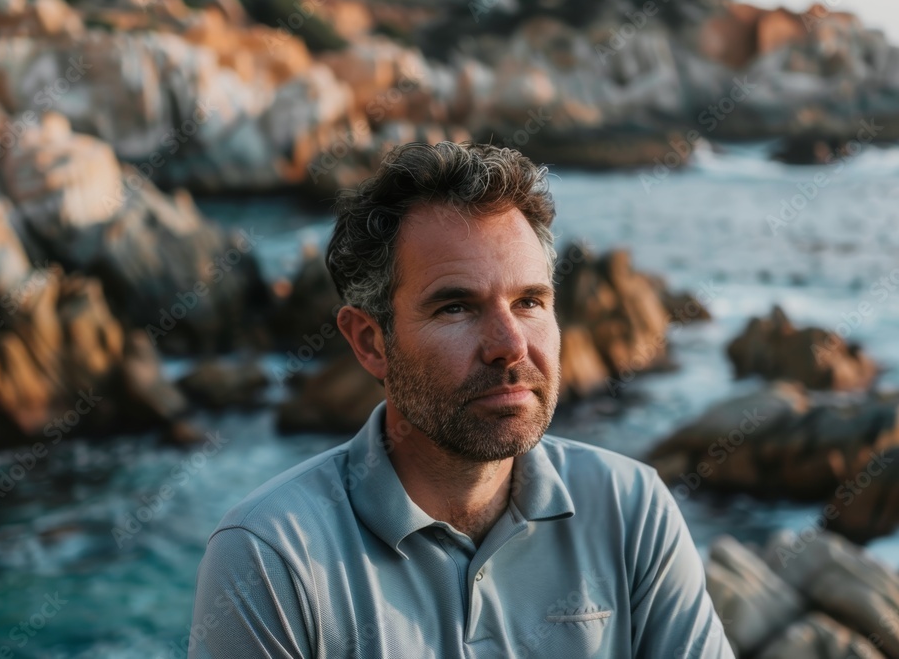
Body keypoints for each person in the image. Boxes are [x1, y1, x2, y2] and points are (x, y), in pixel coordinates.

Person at [189, 142, 734, 658]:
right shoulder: (269, 555)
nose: (509, 345)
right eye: (455, 308)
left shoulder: (631, 508)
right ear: (370, 342)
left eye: (529, 302)